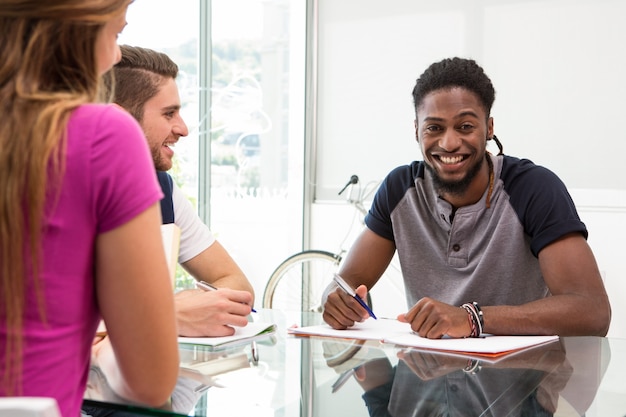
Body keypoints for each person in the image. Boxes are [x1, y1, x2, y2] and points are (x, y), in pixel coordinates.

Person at [322, 57, 611, 339]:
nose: (449, 142)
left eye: (465, 127)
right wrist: (335, 302)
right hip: (427, 376)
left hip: (521, 382)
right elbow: (343, 285)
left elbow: (592, 312)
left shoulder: (534, 188)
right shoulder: (399, 189)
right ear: (416, 131)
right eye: (434, 128)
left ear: (489, 128)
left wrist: (473, 319)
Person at [0, 1, 179, 416]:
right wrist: (102, 345)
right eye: (116, 34)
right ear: (75, 29)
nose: (116, 56)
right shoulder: (103, 136)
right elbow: (150, 382)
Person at [108, 45, 255, 337]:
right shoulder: (49, 193)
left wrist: (186, 306)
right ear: (121, 119)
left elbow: (237, 285)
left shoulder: (163, 191)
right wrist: (163, 313)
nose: (183, 128)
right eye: (169, 113)